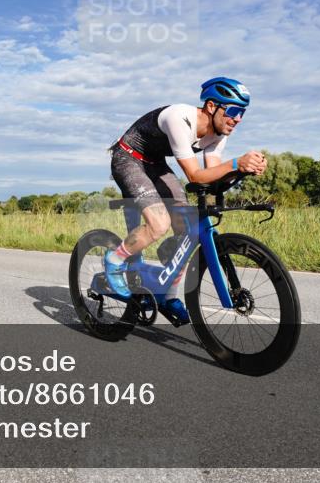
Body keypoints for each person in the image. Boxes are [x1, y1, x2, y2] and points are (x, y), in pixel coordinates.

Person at [104, 77, 267, 319]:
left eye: (242, 112)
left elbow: (210, 178)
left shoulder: (220, 133)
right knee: (159, 224)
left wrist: (240, 170)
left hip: (155, 164)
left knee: (187, 228)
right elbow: (194, 175)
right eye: (233, 110)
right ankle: (114, 259)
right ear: (211, 106)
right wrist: (234, 162)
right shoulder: (179, 118)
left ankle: (168, 296)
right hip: (128, 158)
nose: (238, 118)